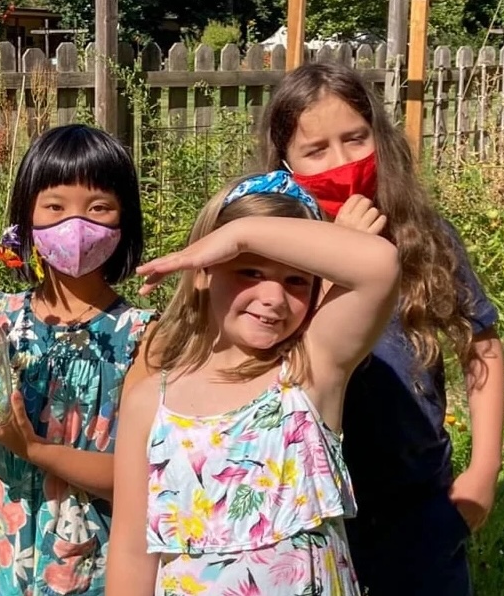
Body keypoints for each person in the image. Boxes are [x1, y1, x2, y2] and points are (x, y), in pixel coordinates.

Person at [259, 62, 504, 596]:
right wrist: (337, 259)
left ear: (380, 137)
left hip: (419, 507)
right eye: (316, 150)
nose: (343, 162)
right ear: (285, 161)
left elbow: (479, 341)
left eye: (355, 139)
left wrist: (484, 469)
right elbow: (268, 361)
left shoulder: (422, 233)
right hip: (308, 511)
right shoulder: (271, 246)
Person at [105, 171, 401, 595]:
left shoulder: (309, 371)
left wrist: (242, 236)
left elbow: (380, 267)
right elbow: (133, 553)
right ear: (204, 269)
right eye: (249, 271)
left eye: (296, 280)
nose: (273, 298)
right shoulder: (150, 404)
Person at [0, 125, 155, 596]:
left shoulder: (144, 336)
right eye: (55, 205)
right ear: (25, 219)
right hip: (1, 554)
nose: (76, 223)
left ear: (124, 219)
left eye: (98, 207)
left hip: (97, 565)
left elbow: (139, 482)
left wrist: (30, 446)